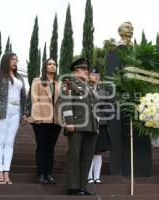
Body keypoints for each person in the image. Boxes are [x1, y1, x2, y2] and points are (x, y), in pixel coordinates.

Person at [59, 58, 99, 196]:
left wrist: (96, 125)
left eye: (87, 69)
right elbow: (65, 102)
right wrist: (69, 121)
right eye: (84, 69)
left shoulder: (89, 87)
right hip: (76, 124)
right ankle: (73, 187)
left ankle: (83, 186)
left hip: (91, 126)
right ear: (76, 71)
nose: (87, 71)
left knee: (87, 157)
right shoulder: (68, 83)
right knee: (74, 156)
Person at [0, 52, 27, 184]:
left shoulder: (19, 77)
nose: (15, 62)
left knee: (10, 142)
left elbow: (23, 97)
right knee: (0, 141)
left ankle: (6, 172)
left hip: (16, 112)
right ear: (6, 61)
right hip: (1, 111)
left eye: (16, 59)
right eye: (12, 59)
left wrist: (24, 114)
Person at [28, 58, 61, 184]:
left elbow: (62, 101)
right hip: (41, 119)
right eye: (50, 64)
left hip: (55, 120)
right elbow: (34, 99)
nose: (53, 66)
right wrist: (36, 118)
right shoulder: (37, 80)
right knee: (41, 147)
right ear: (45, 66)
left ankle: (49, 174)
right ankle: (41, 174)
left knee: (51, 148)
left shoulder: (59, 83)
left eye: (54, 64)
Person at [87, 68, 112, 184]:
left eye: (98, 76)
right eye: (93, 74)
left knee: (98, 151)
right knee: (89, 150)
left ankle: (96, 176)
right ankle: (88, 176)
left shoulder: (104, 93)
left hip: (100, 124)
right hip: (87, 124)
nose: (96, 77)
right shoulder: (84, 90)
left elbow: (109, 110)